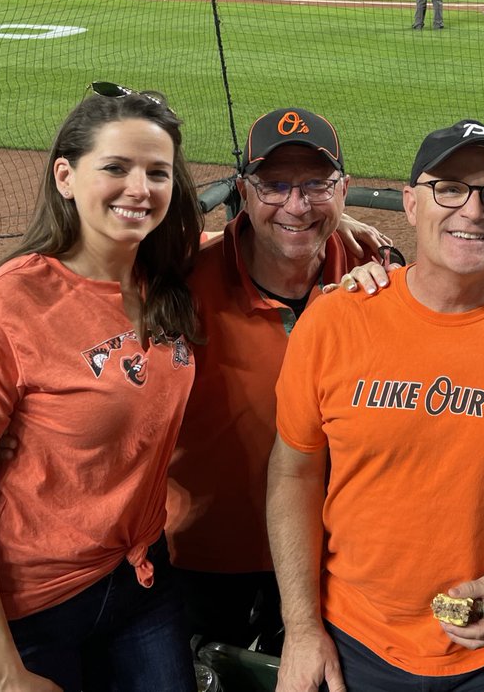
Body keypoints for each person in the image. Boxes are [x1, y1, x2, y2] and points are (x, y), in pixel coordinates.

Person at [266, 119, 484, 691]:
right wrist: (302, 627)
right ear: (410, 203)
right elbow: (293, 470)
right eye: (449, 188)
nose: (473, 211)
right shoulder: (335, 320)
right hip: (353, 638)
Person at [0, 82, 202, 691]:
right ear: (65, 177)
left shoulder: (165, 277)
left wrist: (335, 217)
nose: (140, 189)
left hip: (136, 581)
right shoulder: (1, 310)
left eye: (158, 172)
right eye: (116, 168)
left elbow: (259, 242)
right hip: (16, 613)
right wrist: (3, 676)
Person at [166, 107, 397, 655]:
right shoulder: (182, 282)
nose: (297, 203)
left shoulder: (384, 277)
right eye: (274, 184)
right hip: (205, 557)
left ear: (344, 191)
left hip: (338, 559)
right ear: (242, 191)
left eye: (317, 183)